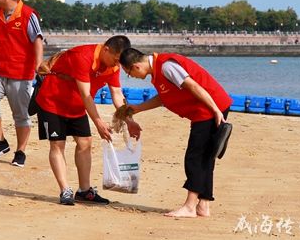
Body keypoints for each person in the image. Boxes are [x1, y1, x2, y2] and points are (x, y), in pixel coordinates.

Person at [119, 48, 232, 218]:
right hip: (209, 108)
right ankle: (203, 204)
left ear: (136, 66)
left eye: (128, 73)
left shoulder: (166, 66)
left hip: (208, 109)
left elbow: (192, 85)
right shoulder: (157, 70)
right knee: (206, 157)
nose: (131, 77)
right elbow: (164, 97)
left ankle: (189, 206)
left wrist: (215, 110)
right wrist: (139, 108)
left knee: (195, 157)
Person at [34, 35, 139, 205]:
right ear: (106, 49)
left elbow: (117, 94)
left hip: (77, 106)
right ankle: (65, 190)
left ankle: (84, 190)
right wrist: (99, 123)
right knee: (57, 144)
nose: (117, 64)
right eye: (116, 59)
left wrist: (129, 120)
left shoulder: (113, 66)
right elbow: (86, 94)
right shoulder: (83, 56)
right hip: (52, 102)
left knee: (85, 143)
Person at [0, 0, 44, 168]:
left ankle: (20, 152)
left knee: (21, 115)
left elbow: (38, 40)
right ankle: (0, 142)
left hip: (21, 73)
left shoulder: (28, 14)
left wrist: (38, 65)